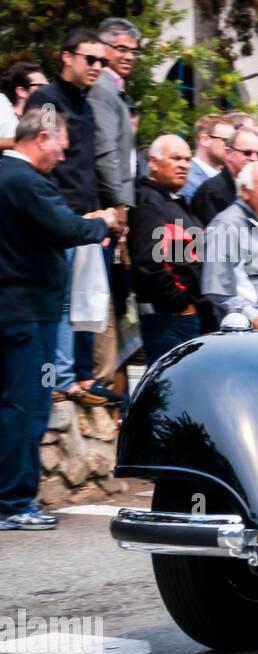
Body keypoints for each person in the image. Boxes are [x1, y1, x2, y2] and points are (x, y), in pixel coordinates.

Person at [0, 109, 115, 529]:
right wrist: (99, 223)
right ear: (43, 137)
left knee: (15, 403)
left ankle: (10, 498)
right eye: (60, 148)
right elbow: (66, 229)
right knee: (28, 406)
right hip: (32, 319)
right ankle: (14, 503)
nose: (61, 158)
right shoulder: (25, 180)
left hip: (17, 316)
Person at [26, 28, 123, 408]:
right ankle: (56, 380)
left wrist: (102, 215)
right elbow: (42, 156)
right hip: (59, 217)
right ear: (67, 57)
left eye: (103, 60)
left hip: (86, 220)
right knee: (60, 305)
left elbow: (90, 165)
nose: (98, 66)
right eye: (90, 59)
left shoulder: (85, 103)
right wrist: (70, 215)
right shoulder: (46, 99)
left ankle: (74, 378)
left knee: (83, 304)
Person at [128, 134, 204, 363]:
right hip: (168, 317)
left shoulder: (174, 202)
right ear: (153, 162)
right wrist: (181, 304)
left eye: (187, 159)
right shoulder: (149, 202)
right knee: (168, 390)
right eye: (175, 158)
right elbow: (149, 263)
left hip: (181, 315)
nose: (183, 165)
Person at [202, 161, 258, 330]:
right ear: (245, 191)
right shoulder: (225, 224)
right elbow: (216, 288)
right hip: (244, 332)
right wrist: (254, 317)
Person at [89, 17, 139, 221]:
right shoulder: (101, 87)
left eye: (134, 52)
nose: (129, 57)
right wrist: (119, 204)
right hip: (106, 206)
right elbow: (106, 152)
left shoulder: (114, 88)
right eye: (121, 49)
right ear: (103, 48)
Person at [190, 126, 258, 225]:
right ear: (228, 153)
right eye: (247, 153)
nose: (254, 158)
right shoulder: (211, 192)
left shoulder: (255, 190)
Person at [180, 113, 232, 200]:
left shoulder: (226, 178)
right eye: (227, 141)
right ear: (205, 140)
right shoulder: (187, 179)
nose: (230, 147)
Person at [0, 63, 49, 152]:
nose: (48, 91)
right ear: (22, 91)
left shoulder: (45, 114)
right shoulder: (3, 108)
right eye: (42, 86)